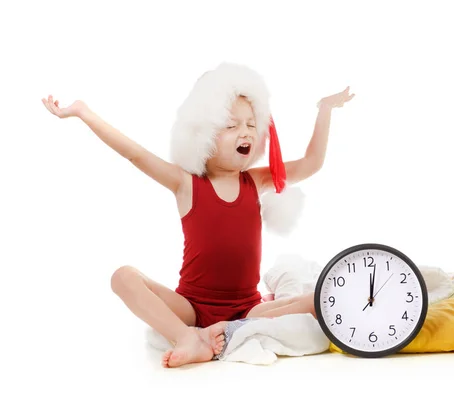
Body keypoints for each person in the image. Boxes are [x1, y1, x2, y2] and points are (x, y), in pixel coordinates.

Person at [41, 62, 354, 368]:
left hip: (246, 309)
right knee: (122, 276)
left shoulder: (255, 181)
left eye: (250, 124)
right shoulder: (185, 184)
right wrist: (83, 113)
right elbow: (133, 152)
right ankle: (188, 338)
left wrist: (324, 110)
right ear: (202, 134)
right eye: (231, 125)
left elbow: (311, 163)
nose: (244, 132)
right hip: (191, 307)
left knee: (312, 301)